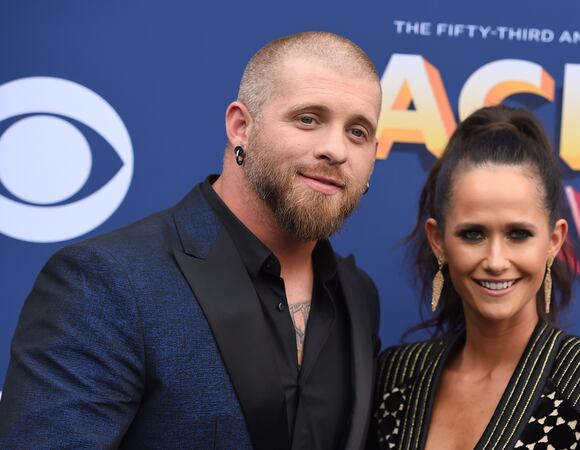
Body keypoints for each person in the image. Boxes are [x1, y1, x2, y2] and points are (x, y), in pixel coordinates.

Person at [0, 31, 382, 450]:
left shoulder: (357, 295)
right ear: (241, 127)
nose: (336, 150)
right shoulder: (107, 284)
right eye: (308, 119)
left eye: (358, 132)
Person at [369, 106, 580, 450]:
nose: (496, 261)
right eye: (473, 234)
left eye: (518, 234)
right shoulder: (395, 377)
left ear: (553, 241)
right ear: (438, 240)